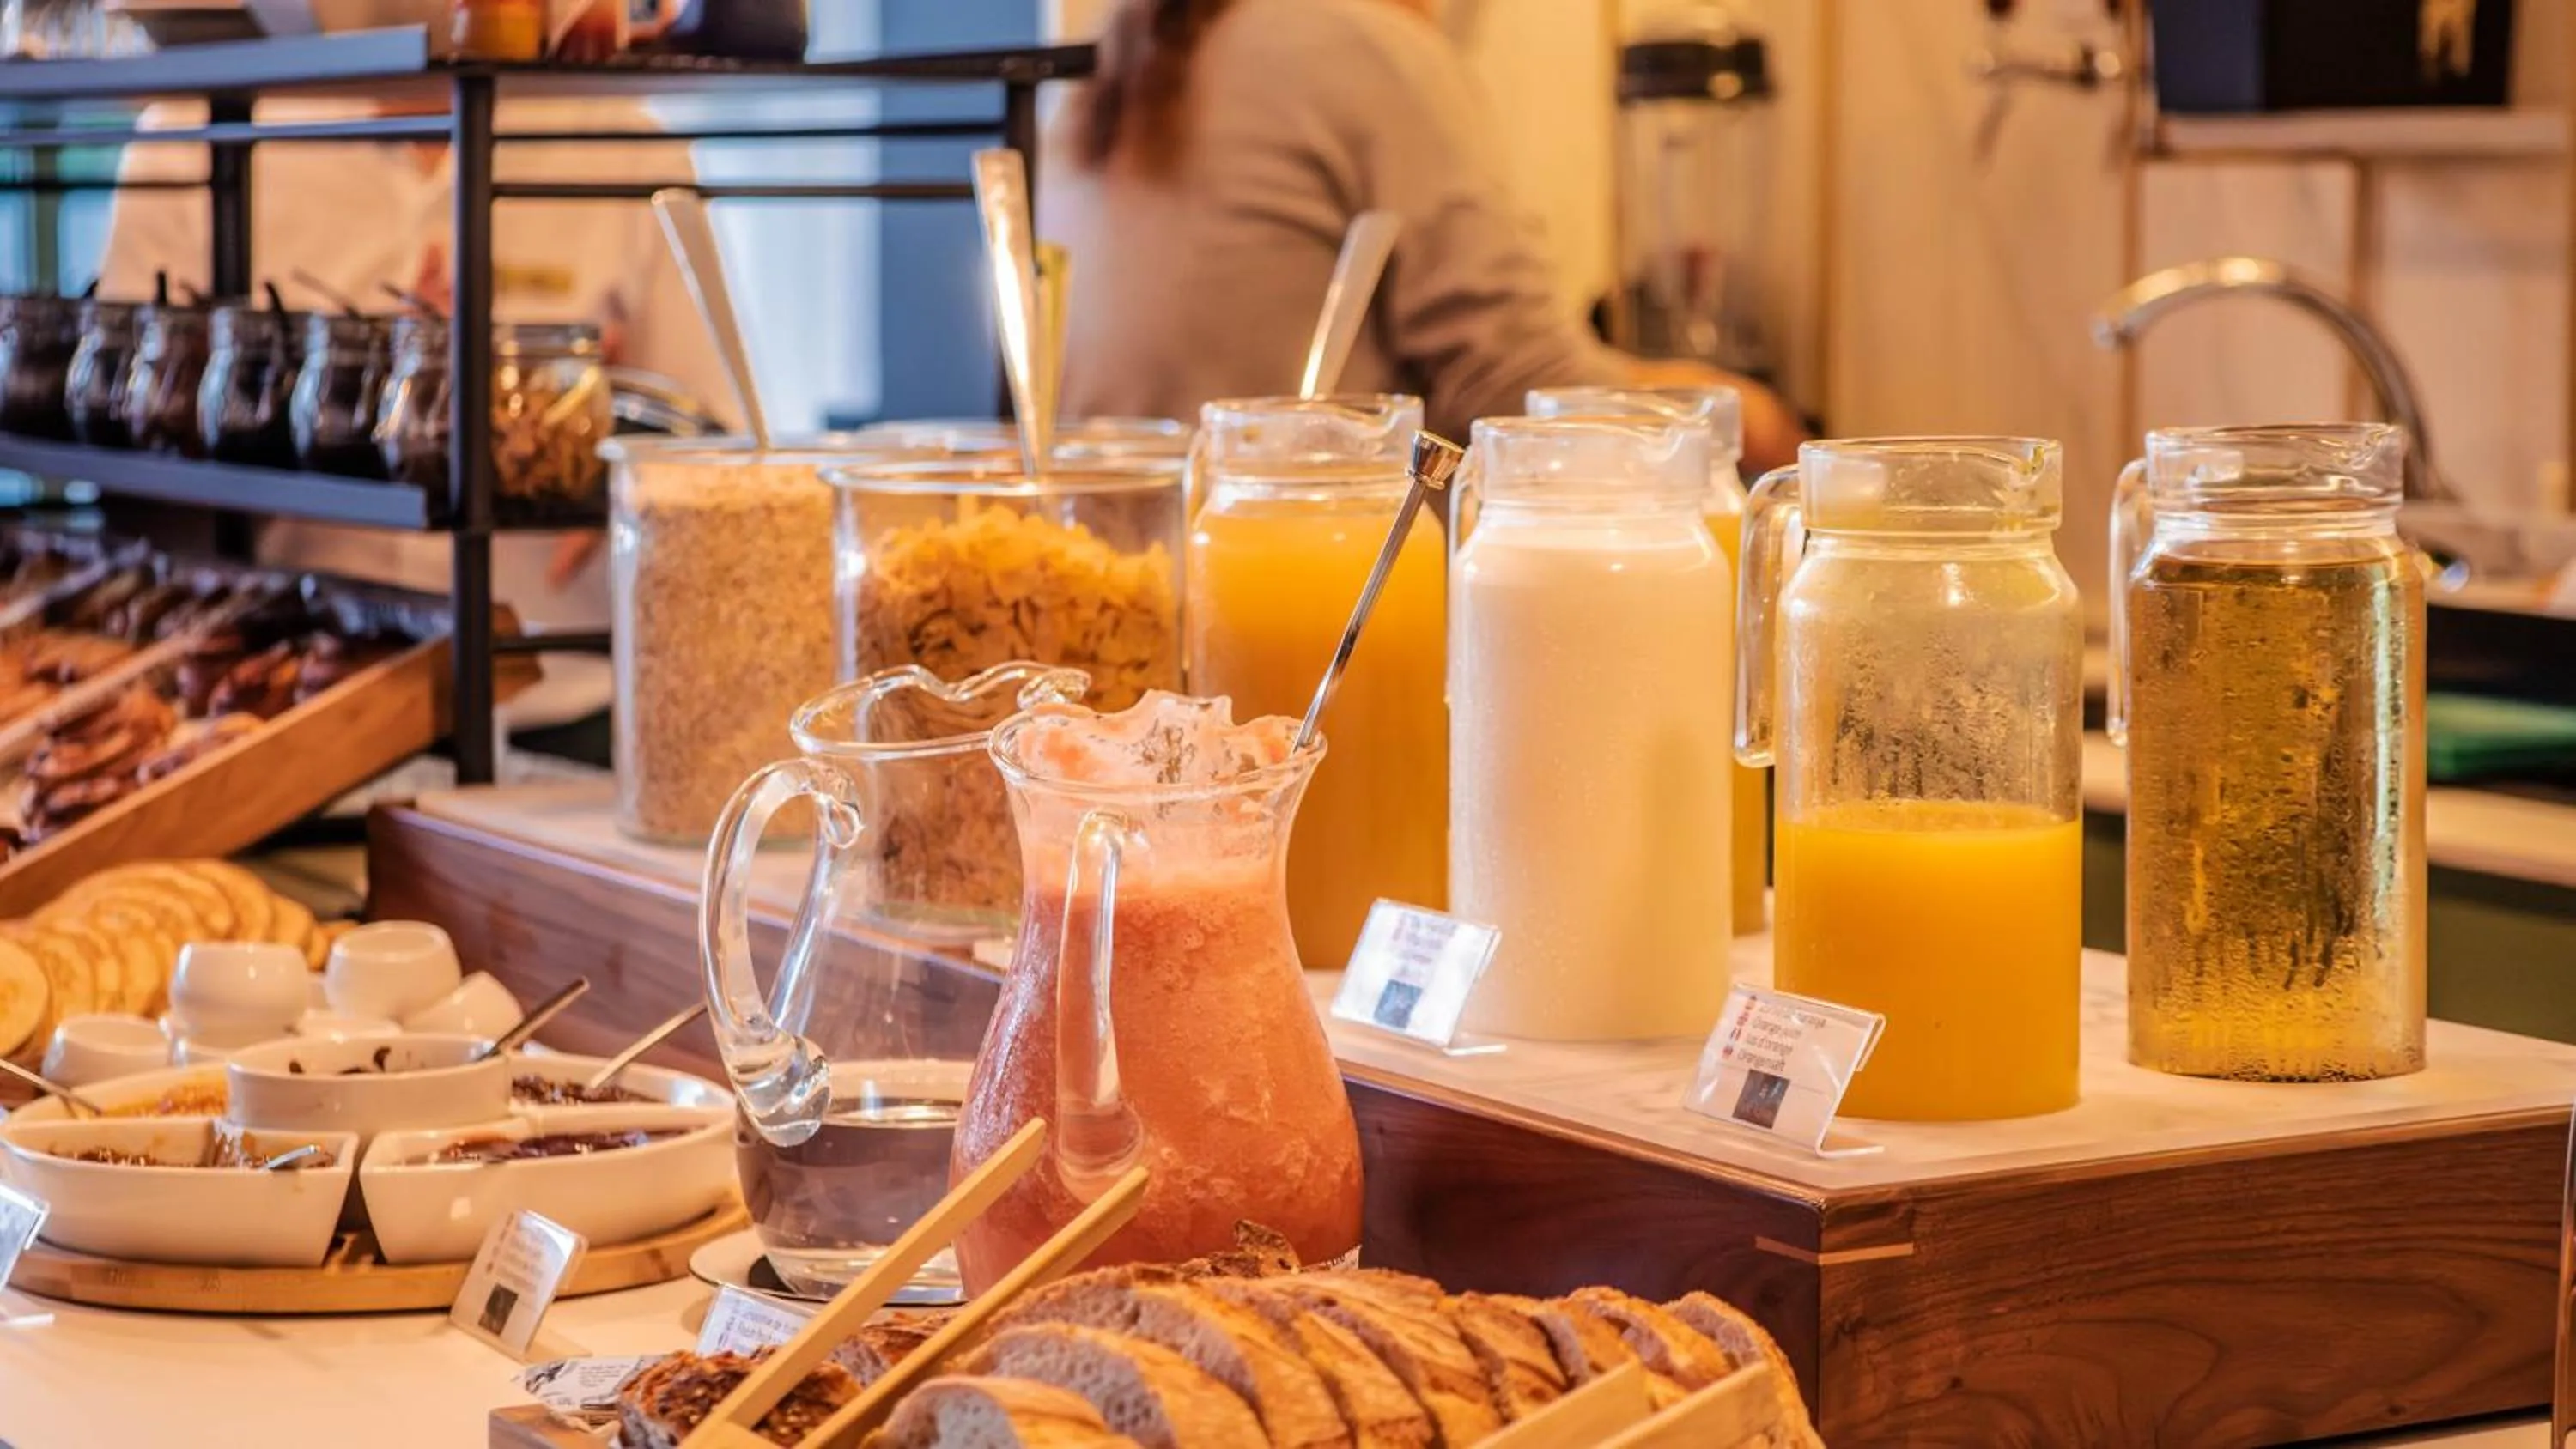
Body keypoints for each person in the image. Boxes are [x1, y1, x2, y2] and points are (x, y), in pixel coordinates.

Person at [95, 96, 736, 756]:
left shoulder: (626, 142)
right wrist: (341, 391)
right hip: (277, 713)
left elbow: (707, 443)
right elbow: (128, 446)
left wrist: (595, 443)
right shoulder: (193, 129)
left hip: (565, 704)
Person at [1043, 0, 1806, 467]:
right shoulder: (1364, 44)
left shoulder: (1123, 53)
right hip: (1322, 608)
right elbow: (1522, 396)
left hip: (1127, 591)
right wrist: (1758, 418)